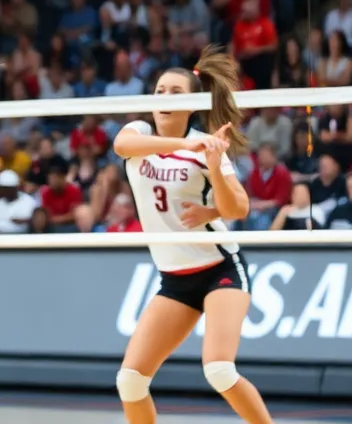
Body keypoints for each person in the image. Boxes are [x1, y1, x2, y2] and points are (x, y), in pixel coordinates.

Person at [112, 47, 274, 424]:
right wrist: (186, 145)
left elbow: (239, 209)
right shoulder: (140, 133)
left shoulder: (208, 148)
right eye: (160, 91)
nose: (165, 98)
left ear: (193, 103)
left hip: (219, 268)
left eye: (175, 92)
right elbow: (123, 146)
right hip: (175, 279)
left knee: (219, 369)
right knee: (130, 380)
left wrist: (214, 172)